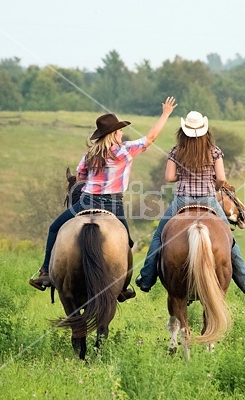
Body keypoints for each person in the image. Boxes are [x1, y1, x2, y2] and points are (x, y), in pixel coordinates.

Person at [30, 97, 178, 295]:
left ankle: (46, 271)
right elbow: (150, 138)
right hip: (113, 206)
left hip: (86, 202)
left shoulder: (90, 154)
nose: (122, 133)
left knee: (55, 228)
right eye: (120, 130)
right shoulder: (124, 151)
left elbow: (80, 178)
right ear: (114, 134)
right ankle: (123, 286)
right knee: (126, 242)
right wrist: (165, 114)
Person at [135, 111, 245, 293]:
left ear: (184, 131)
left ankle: (146, 278)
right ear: (205, 130)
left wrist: (183, 176)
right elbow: (222, 178)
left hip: (182, 200)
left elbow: (169, 177)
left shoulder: (177, 151)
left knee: (159, 236)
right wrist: (212, 184)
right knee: (228, 239)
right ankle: (244, 279)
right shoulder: (214, 151)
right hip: (208, 199)